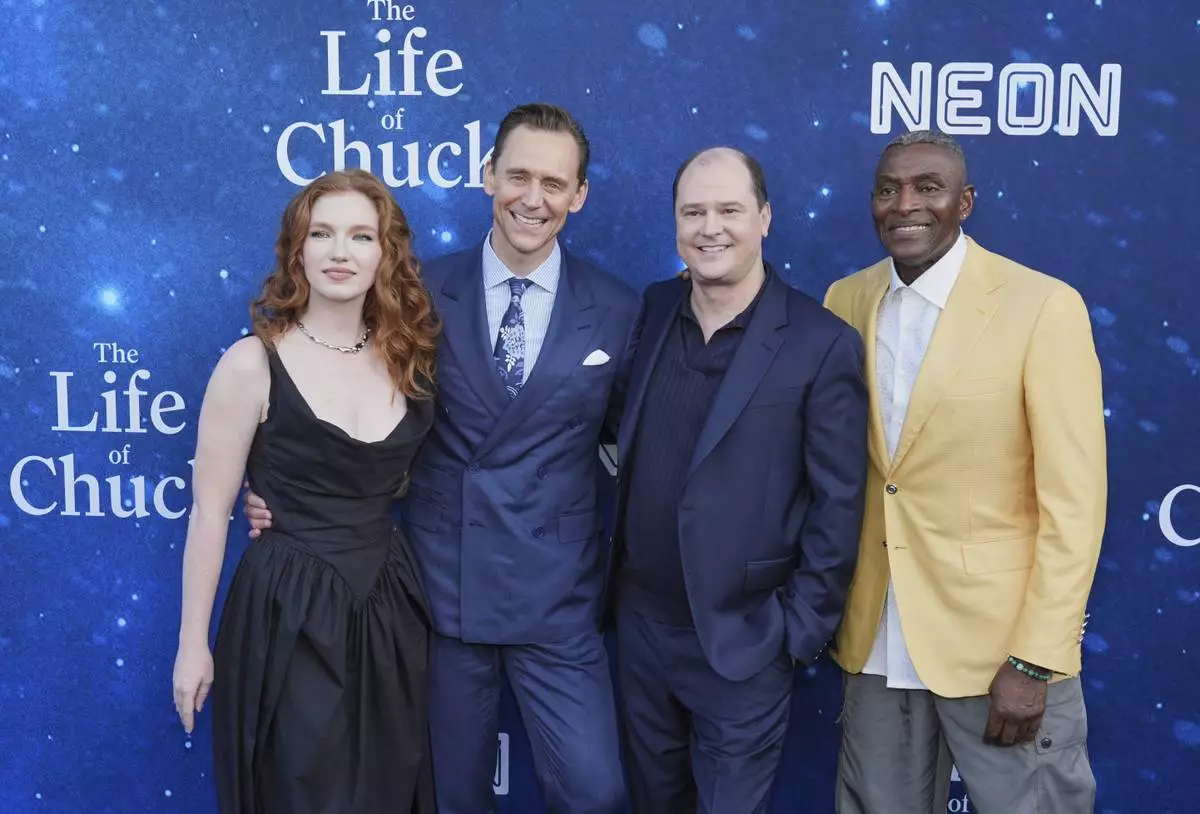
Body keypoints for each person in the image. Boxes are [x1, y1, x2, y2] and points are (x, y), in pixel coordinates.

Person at [244, 103, 637, 814]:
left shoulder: (617, 308)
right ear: (488, 176)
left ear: (579, 195)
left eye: (555, 183)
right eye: (517, 175)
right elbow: (336, 391)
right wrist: (287, 493)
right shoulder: (412, 294)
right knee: (445, 799)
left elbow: (630, 438)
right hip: (438, 591)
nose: (533, 197)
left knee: (597, 792)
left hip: (558, 600)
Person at [825, 130, 1107, 813]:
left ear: (965, 203)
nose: (905, 204)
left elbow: (1074, 503)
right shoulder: (845, 301)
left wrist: (1035, 657)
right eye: (889, 189)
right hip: (879, 636)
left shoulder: (1041, 306)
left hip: (998, 648)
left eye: (929, 187)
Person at [607, 146, 869, 814]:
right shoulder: (657, 308)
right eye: (693, 211)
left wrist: (794, 632)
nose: (710, 227)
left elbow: (839, 504)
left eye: (729, 209)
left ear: (765, 218)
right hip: (641, 631)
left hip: (743, 641)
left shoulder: (819, 342)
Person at [171, 169, 440, 813]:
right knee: (297, 791)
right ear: (297, 250)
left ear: (386, 253)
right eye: (321, 233)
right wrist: (191, 645)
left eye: (360, 236)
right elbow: (210, 513)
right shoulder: (251, 363)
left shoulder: (411, 363)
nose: (340, 252)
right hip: (286, 613)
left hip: (388, 611)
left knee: (388, 793)